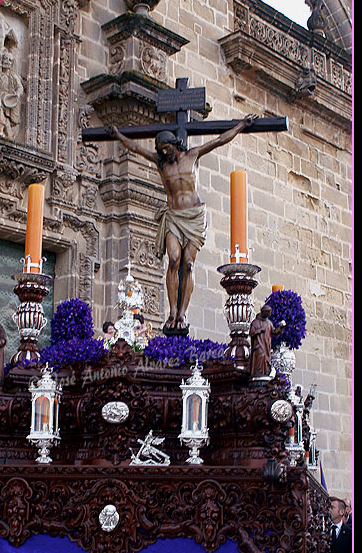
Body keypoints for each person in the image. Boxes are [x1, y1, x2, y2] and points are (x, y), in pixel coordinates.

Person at [109, 115, 257, 332]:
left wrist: (242, 125)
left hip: (194, 216)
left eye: (166, 147)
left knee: (188, 264)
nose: (162, 152)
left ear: (174, 144)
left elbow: (219, 140)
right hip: (174, 217)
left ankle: (183, 313)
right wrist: (118, 135)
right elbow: (135, 148)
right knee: (174, 259)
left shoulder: (193, 155)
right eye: (160, 149)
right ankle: (172, 313)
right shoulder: (161, 164)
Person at [249, 304, 285, 379]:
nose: (270, 314)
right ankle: (258, 373)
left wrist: (280, 327)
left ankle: (265, 373)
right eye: (268, 312)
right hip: (258, 344)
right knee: (260, 356)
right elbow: (251, 333)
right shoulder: (255, 322)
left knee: (265, 359)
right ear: (264, 312)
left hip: (266, 346)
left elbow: (274, 332)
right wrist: (259, 330)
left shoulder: (269, 323)